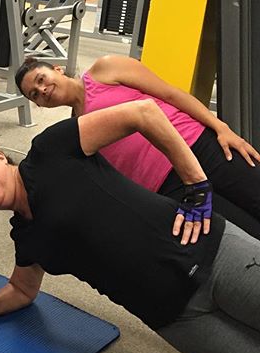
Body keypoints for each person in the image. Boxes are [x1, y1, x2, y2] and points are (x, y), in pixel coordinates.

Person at [0, 99, 260, 353]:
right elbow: (23, 290)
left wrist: (197, 185)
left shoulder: (49, 152)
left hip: (211, 255)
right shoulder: (25, 237)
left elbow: (143, 113)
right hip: (177, 320)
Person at [15, 55, 260, 240]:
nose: (43, 90)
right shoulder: (77, 130)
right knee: (245, 236)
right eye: (34, 94)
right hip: (170, 186)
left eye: (41, 79)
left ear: (57, 69)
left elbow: (170, 94)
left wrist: (221, 128)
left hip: (197, 144)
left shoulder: (104, 69)